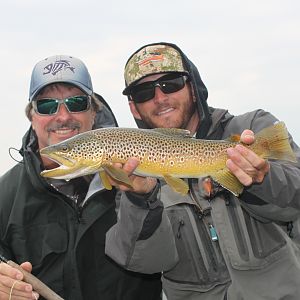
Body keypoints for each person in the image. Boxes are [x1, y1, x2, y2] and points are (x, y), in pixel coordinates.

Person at [105, 42, 300, 300]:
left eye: (171, 84)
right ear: (133, 107)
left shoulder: (251, 128)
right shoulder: (131, 175)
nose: (160, 98)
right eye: (143, 93)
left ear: (194, 89)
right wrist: (142, 200)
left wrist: (263, 179)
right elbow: (144, 262)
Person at [0, 55, 162, 300]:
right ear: (32, 118)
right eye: (47, 105)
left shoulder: (142, 174)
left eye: (76, 103)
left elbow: (166, 259)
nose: (63, 116)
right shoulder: (5, 194)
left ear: (94, 113)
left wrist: (144, 199)